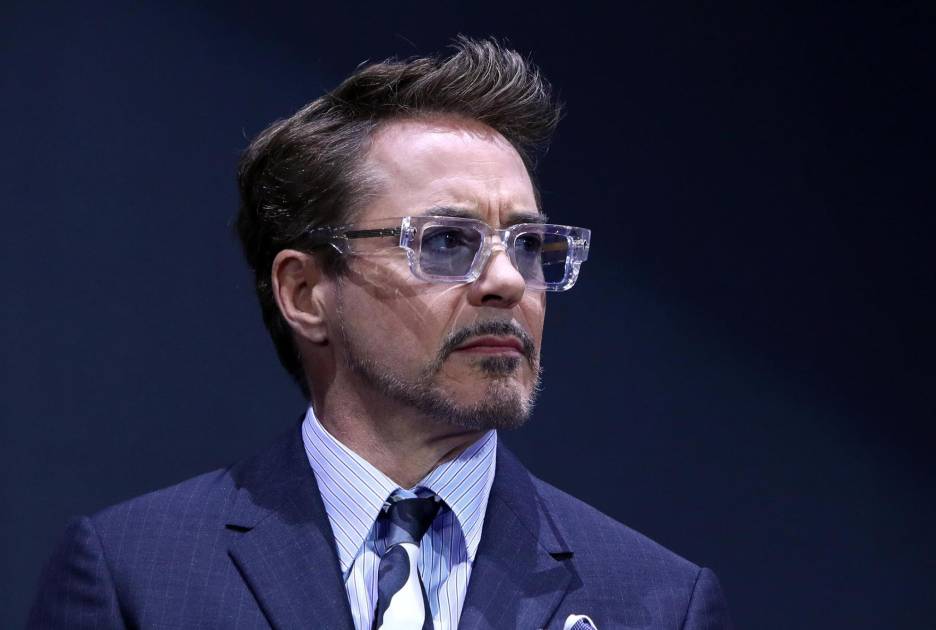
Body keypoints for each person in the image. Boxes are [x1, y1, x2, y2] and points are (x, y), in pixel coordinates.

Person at [29, 37, 732, 629]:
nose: (508, 282)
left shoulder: (657, 603)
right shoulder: (134, 576)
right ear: (305, 293)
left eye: (527, 245)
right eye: (447, 241)